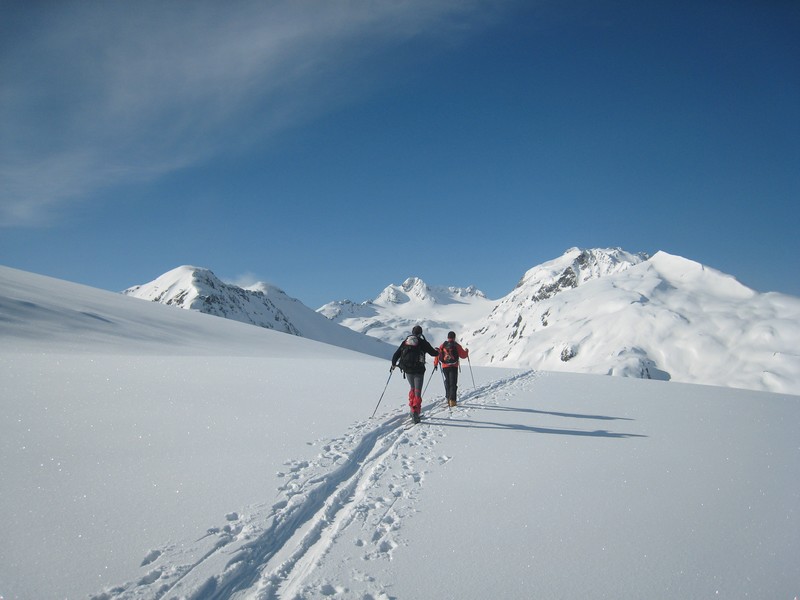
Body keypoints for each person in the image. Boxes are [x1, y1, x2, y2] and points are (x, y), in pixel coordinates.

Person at [391, 325, 439, 423]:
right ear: (420, 333)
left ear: (412, 332)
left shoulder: (406, 342)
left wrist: (393, 364)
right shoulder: (423, 342)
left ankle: (411, 410)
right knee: (418, 392)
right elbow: (434, 353)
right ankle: (415, 413)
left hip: (408, 370)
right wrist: (438, 351)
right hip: (419, 370)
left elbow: (396, 354)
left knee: (412, 388)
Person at [433, 331, 469, 407]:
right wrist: (467, 351)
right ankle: (452, 401)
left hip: (445, 366)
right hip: (454, 366)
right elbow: (463, 355)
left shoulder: (443, 345)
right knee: (453, 383)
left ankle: (448, 397)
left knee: (447, 382)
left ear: (448, 337)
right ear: (454, 337)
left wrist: (435, 363)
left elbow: (438, 354)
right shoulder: (456, 345)